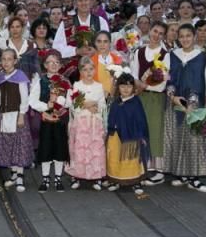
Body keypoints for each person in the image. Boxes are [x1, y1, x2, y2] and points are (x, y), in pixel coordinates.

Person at [163, 24, 206, 192]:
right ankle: (181, 173)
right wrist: (172, 97)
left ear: (194, 36)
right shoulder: (171, 55)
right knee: (177, 138)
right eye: (182, 36)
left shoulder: (201, 56)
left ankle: (194, 176)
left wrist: (201, 99)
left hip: (194, 102)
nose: (185, 39)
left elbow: (205, 78)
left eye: (188, 36)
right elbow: (165, 77)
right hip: (175, 101)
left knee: (194, 138)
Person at [132, 21, 170, 185]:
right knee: (141, 130)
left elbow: (163, 80)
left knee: (155, 131)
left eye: (161, 33)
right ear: (150, 31)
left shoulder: (165, 54)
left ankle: (157, 170)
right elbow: (134, 73)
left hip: (155, 97)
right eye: (155, 31)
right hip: (140, 97)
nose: (156, 35)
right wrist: (138, 86)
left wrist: (146, 85)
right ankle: (142, 166)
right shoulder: (139, 52)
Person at [0, 48, 35, 191]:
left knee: (19, 145)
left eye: (9, 59)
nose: (6, 62)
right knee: (8, 145)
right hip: (4, 115)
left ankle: (20, 176)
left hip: (17, 115)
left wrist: (22, 114)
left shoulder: (20, 76)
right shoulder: (0, 77)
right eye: (3, 59)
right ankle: (14, 174)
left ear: (15, 61)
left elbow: (24, 97)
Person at [29, 50, 71, 193]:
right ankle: (45, 178)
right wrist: (46, 107)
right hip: (46, 120)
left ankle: (58, 178)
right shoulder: (41, 81)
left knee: (59, 149)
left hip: (60, 120)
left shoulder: (65, 82)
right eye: (50, 62)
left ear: (60, 65)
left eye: (56, 62)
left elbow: (70, 100)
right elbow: (32, 100)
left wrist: (61, 105)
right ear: (45, 65)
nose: (53, 65)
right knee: (46, 148)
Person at [66, 58, 107, 190]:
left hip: (95, 123)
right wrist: (89, 104)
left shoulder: (99, 86)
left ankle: (96, 177)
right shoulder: (77, 85)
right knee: (79, 149)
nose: (88, 72)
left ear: (95, 70)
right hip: (80, 123)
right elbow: (75, 105)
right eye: (85, 69)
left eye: (91, 69)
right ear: (80, 71)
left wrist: (88, 103)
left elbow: (101, 105)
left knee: (95, 149)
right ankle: (77, 176)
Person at [105, 73, 148, 193]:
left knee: (131, 160)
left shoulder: (135, 102)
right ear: (118, 87)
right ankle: (116, 180)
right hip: (116, 136)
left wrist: (141, 136)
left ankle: (135, 182)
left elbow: (140, 120)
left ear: (133, 88)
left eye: (129, 86)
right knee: (115, 158)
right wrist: (110, 131)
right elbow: (111, 117)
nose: (125, 89)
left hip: (131, 137)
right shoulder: (116, 102)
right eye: (123, 86)